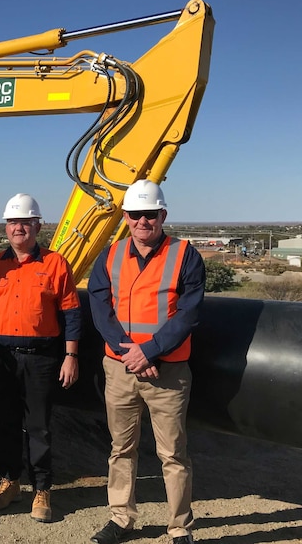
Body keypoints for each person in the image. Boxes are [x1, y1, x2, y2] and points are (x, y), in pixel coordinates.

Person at [87, 180, 204, 544]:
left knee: (172, 452)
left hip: (167, 372)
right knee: (121, 448)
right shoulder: (110, 255)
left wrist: (150, 350)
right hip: (121, 368)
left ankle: (179, 527)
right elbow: (100, 307)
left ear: (162, 215)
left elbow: (188, 313)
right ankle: (121, 519)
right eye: (135, 214)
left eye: (149, 214)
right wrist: (131, 353)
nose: (142, 221)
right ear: (125, 218)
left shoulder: (185, 255)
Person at [0, 193, 81, 524]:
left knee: (38, 428)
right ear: (6, 227)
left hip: (41, 358)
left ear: (38, 225)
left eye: (26, 222)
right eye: (13, 222)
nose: (19, 228)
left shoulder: (55, 263)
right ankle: (9, 482)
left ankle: (42, 488)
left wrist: (71, 355)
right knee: (4, 424)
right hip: (1, 358)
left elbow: (72, 314)